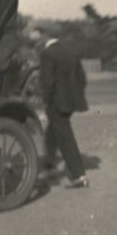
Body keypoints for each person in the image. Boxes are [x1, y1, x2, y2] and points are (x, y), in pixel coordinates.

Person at [39, 32, 89, 188]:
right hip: (70, 102)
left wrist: (45, 100)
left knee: (65, 137)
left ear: (45, 36)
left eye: (39, 34)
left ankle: (79, 175)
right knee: (52, 132)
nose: (38, 38)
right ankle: (50, 167)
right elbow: (82, 79)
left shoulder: (47, 53)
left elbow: (48, 81)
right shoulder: (70, 50)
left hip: (56, 102)